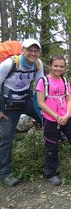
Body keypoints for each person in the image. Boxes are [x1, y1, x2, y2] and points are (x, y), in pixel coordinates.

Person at [36, 55, 71, 186]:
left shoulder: (65, 81)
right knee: (51, 146)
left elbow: (69, 99)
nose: (58, 68)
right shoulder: (43, 81)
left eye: (61, 66)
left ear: (64, 67)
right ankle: (50, 173)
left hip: (66, 118)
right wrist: (56, 116)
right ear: (50, 65)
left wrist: (66, 115)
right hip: (50, 119)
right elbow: (40, 103)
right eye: (56, 65)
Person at [0, 39, 44, 186]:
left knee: (46, 118)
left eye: (36, 51)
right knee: (6, 138)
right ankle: (5, 173)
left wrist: (45, 108)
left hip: (26, 100)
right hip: (8, 104)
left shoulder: (38, 64)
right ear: (23, 50)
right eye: (30, 50)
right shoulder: (10, 63)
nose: (33, 53)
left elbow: (40, 86)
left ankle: (60, 140)